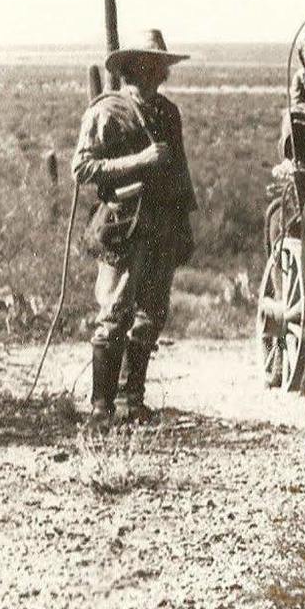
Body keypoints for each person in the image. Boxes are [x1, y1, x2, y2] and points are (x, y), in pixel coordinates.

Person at [71, 28, 198, 428]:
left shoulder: (168, 113)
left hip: (162, 226)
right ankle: (100, 407)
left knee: (150, 315)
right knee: (114, 312)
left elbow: (180, 172)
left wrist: (184, 223)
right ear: (130, 68)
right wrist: (138, 162)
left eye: (159, 65)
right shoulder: (107, 111)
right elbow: (82, 168)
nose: (155, 71)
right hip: (123, 226)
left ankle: (131, 400)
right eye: (147, 64)